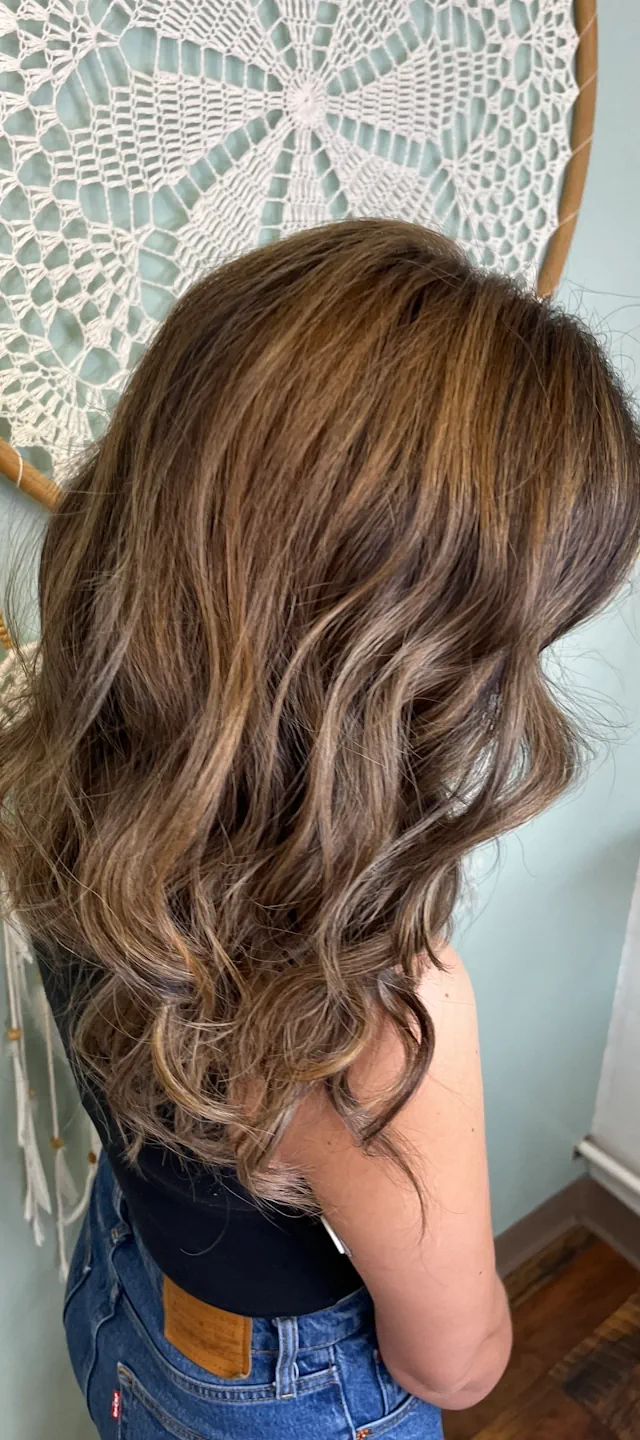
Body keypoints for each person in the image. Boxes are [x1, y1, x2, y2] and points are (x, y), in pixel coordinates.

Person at [1, 217, 639, 1440]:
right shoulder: (378, 1014)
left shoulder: (72, 783)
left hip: (124, 1299)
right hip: (282, 1403)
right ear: (403, 670)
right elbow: (456, 1365)